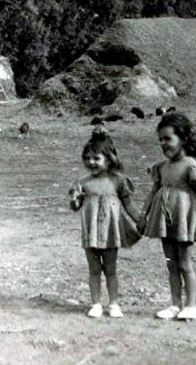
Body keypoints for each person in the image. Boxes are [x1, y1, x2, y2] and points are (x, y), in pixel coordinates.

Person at [137, 112, 196, 321]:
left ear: (183, 138)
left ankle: (191, 305)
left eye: (168, 138)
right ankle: (175, 304)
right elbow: (153, 191)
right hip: (164, 220)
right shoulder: (161, 167)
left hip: (183, 221)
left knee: (185, 264)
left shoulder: (190, 166)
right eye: (160, 139)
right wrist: (143, 215)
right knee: (171, 264)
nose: (163, 143)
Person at [68, 128, 142, 318]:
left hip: (110, 232)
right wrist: (75, 199)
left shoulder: (118, 181)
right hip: (91, 233)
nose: (91, 162)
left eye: (96, 158)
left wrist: (142, 221)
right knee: (94, 270)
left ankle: (114, 304)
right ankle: (96, 304)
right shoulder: (82, 182)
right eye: (87, 158)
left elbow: (129, 205)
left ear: (109, 159)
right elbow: (75, 207)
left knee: (111, 269)